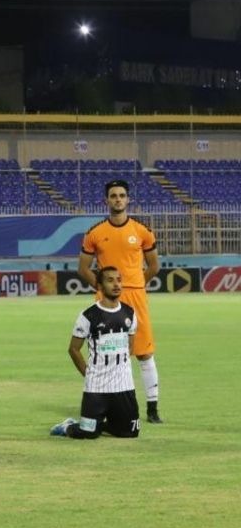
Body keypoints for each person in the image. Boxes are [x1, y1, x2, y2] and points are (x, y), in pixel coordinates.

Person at [77, 179, 162, 423]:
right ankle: (104, 405)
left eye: (122, 195)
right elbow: (83, 268)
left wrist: (134, 285)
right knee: (105, 354)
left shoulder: (142, 231)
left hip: (135, 296)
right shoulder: (95, 233)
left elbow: (154, 265)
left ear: (128, 199)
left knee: (144, 353)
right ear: (106, 200)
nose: (118, 199)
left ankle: (152, 409)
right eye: (113, 195)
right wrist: (104, 289)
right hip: (106, 301)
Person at [51, 266, 140, 439]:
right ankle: (68, 426)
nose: (116, 284)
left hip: (124, 386)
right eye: (110, 280)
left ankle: (100, 425)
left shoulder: (130, 312)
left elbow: (130, 347)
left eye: (118, 280)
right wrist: (88, 373)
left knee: (130, 432)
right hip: (96, 387)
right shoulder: (88, 315)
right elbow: (73, 349)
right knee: (87, 433)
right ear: (99, 286)